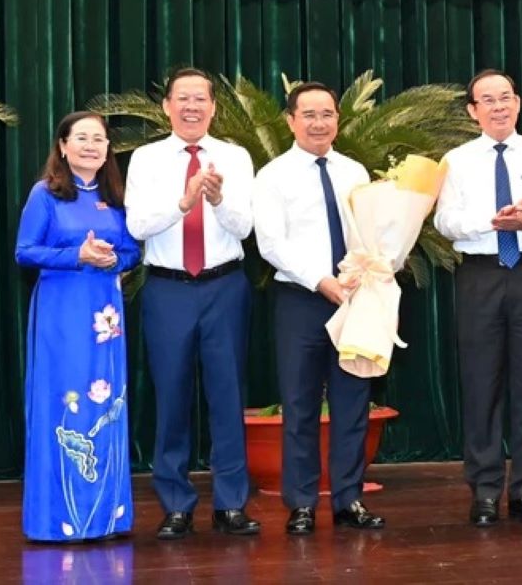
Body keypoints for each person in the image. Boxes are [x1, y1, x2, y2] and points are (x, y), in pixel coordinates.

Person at [124, 68, 259, 538]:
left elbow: (244, 228)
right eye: (182, 99)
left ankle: (231, 504)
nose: (192, 107)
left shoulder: (236, 157)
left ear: (213, 106)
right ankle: (176, 503)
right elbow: (138, 226)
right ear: (167, 107)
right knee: (172, 396)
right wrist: (184, 203)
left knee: (228, 395)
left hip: (225, 286)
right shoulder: (145, 158)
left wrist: (218, 200)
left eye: (201, 99)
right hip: (168, 289)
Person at [434, 69, 522, 527]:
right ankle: (486, 491)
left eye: (506, 97)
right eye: (487, 100)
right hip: (479, 277)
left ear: (518, 102)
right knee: (480, 384)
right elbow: (445, 223)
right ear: (473, 111)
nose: (498, 106)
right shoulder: (455, 160)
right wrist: (489, 222)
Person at [254, 81, 385, 533]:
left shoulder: (356, 172)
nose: (319, 122)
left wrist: (376, 264)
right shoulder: (273, 175)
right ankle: (302, 503)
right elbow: (271, 242)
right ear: (290, 121)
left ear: (338, 120)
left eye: (327, 113)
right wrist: (321, 281)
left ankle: (349, 500)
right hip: (301, 301)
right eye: (308, 114)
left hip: (354, 298)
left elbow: (371, 233)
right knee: (300, 403)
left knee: (353, 403)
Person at [15, 112, 140, 541]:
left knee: (106, 405)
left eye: (99, 139)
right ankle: (55, 521)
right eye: (81, 138)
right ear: (63, 146)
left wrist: (113, 260)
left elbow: (131, 252)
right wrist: (76, 257)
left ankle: (108, 517)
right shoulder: (45, 195)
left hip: (105, 315)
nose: (91, 145)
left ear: (108, 150)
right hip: (61, 312)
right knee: (63, 401)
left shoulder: (115, 195)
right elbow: (25, 251)